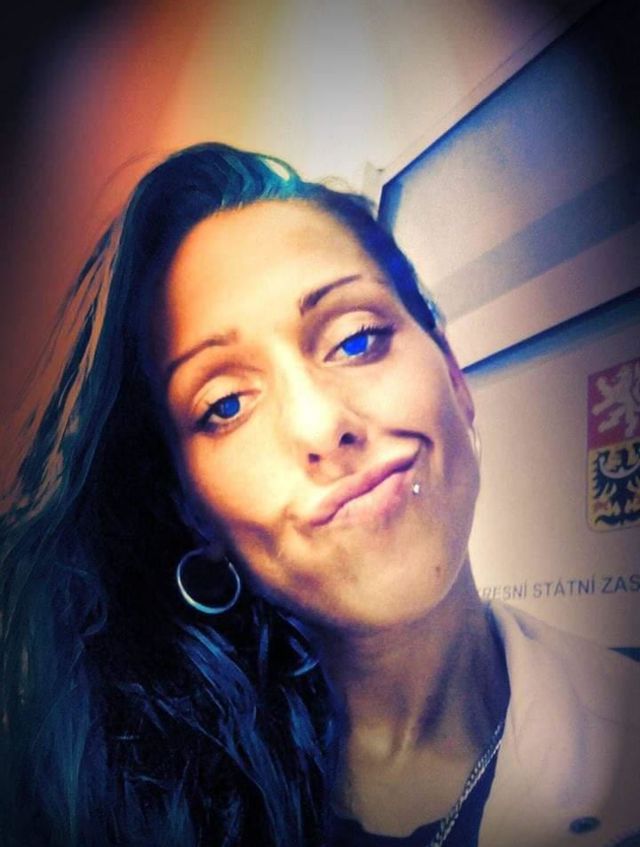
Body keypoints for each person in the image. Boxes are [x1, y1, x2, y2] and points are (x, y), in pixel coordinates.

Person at [1, 142, 639, 847]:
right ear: (193, 510)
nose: (321, 424)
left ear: (453, 374)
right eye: (225, 404)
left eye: (358, 339)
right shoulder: (103, 813)